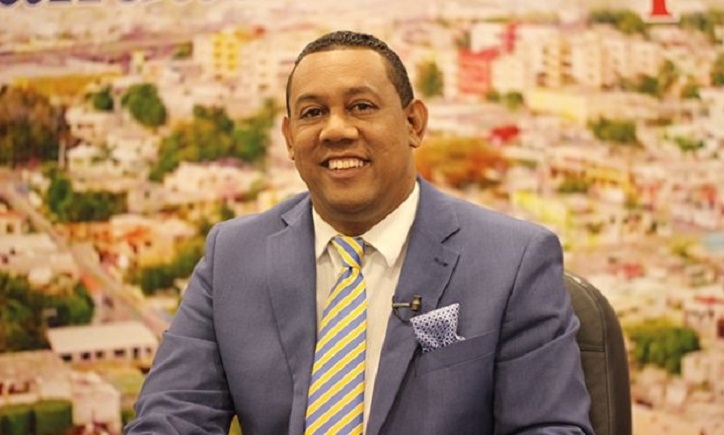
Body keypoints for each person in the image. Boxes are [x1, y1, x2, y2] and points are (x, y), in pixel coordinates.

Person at [125, 30, 594, 434]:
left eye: (361, 106)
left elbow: (549, 426)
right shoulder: (232, 256)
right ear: (289, 139)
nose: (336, 130)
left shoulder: (513, 261)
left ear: (413, 123)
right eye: (312, 113)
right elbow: (172, 414)